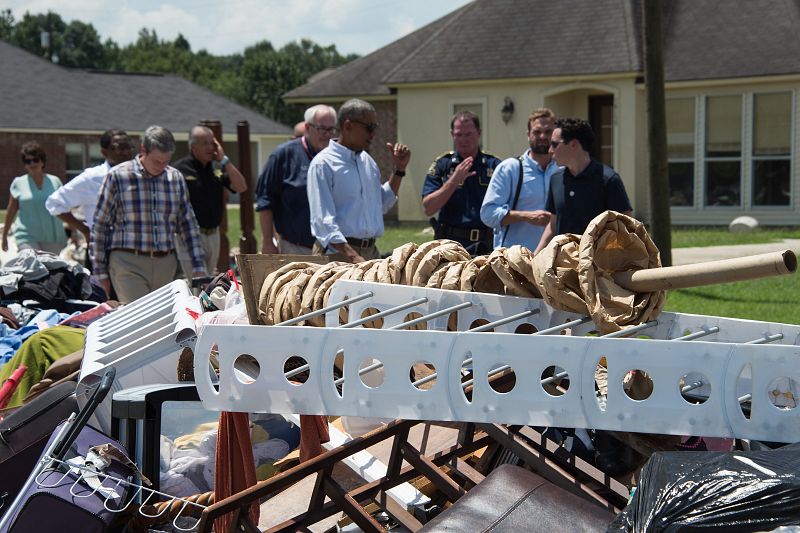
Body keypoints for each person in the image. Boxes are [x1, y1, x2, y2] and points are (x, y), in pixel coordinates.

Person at [90, 126, 206, 304]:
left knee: (164, 318)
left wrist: (198, 265)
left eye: (166, 161)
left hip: (166, 264)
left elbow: (187, 224)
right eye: (157, 161)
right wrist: (100, 273)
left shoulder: (175, 178)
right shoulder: (118, 176)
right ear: (143, 150)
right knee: (137, 316)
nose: (161, 166)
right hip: (128, 263)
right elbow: (100, 226)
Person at [307, 98, 410, 263]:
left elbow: (381, 204)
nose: (373, 134)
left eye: (375, 127)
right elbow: (323, 221)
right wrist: (353, 256)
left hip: (369, 253)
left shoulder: (367, 161)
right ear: (348, 126)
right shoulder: (323, 164)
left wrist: (399, 169)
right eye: (369, 127)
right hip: (337, 254)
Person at [534, 117, 632, 254]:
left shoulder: (609, 180)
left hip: (598, 264)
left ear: (574, 144)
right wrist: (535, 257)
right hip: (563, 263)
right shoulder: (556, 179)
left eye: (555, 144)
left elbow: (626, 228)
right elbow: (553, 226)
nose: (550, 150)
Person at [256, 105, 337, 255]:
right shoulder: (284, 155)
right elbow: (265, 201)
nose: (327, 135)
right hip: (295, 247)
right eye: (322, 129)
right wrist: (267, 242)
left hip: (335, 247)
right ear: (307, 127)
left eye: (331, 129)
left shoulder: (338, 157)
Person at [481, 108, 561, 251]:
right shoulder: (510, 169)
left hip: (554, 258)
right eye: (537, 132)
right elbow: (488, 214)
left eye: (548, 132)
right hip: (515, 259)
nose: (542, 136)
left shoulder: (562, 170)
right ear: (528, 135)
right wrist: (525, 216)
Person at [421, 111, 501, 255]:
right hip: (449, 245)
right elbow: (428, 208)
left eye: (469, 134)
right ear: (452, 134)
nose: (464, 139)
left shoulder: (494, 165)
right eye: (459, 134)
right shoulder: (442, 165)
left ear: (479, 133)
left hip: (486, 245)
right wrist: (454, 180)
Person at [172, 126, 247, 275]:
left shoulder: (217, 167)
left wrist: (225, 160)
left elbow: (241, 187)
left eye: (212, 143)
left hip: (213, 235)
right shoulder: (180, 169)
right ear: (193, 146)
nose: (210, 148)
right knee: (196, 281)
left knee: (207, 281)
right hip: (190, 235)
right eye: (205, 143)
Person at [45, 129, 136, 244]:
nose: (126, 152)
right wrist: (85, 230)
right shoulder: (92, 178)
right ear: (104, 152)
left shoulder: (140, 175)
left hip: (135, 247)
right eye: (120, 147)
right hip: (103, 247)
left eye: (129, 147)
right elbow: (54, 203)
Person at [2, 142, 67, 255]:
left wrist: (74, 231)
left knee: (49, 266)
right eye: (28, 161)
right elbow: (11, 211)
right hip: (26, 236)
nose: (32, 163)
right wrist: (4, 236)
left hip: (52, 236)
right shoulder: (18, 183)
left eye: (35, 160)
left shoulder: (55, 181)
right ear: (25, 164)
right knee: (31, 262)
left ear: (42, 161)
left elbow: (64, 207)